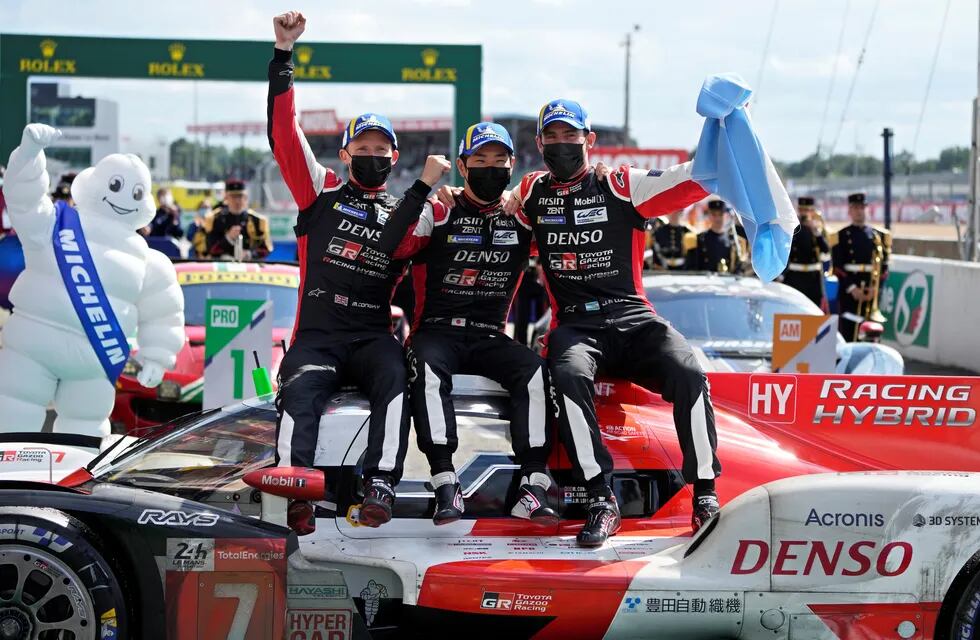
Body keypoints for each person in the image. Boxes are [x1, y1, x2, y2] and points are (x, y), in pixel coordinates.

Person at [267, 10, 450, 533]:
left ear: (395, 157)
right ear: (344, 153)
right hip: (318, 337)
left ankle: (382, 483)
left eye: (380, 150)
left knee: (396, 375)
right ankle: (293, 487)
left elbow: (438, 237)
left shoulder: (411, 213)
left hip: (372, 336)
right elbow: (284, 133)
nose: (370, 157)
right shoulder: (319, 189)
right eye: (361, 149)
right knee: (298, 393)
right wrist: (283, 55)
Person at [508, 99, 721, 547]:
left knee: (689, 370)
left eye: (571, 136)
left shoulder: (621, 185)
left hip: (633, 317)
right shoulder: (531, 191)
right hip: (577, 328)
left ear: (590, 140)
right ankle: (600, 498)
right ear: (540, 142)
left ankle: (704, 492)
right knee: (564, 375)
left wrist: (724, 127)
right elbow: (494, 215)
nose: (562, 144)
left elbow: (694, 180)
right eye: (553, 136)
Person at [378, 122, 556, 526]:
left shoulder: (521, 216)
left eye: (499, 161)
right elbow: (392, 243)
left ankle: (533, 484)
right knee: (424, 367)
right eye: (480, 160)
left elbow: (566, 208)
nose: (490, 168)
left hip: (490, 335)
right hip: (436, 331)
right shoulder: (440, 208)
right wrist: (423, 187)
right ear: (462, 165)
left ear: (512, 166)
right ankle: (444, 481)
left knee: (533, 371)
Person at [832, 192, 891, 342]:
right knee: (849, 332)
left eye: (862, 207)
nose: (859, 211)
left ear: (867, 209)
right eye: (855, 208)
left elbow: (884, 268)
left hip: (871, 291)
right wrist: (852, 289)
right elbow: (838, 267)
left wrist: (875, 289)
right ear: (849, 211)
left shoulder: (879, 236)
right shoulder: (842, 236)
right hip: (850, 291)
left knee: (871, 332)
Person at [192, 179, 272, 259]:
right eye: (233, 196)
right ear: (226, 197)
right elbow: (207, 248)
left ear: (245, 197)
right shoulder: (214, 219)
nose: (237, 201)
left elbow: (265, 249)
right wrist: (228, 238)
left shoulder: (257, 221)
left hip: (250, 266)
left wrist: (249, 254)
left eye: (240, 196)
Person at [781, 196, 830, 309]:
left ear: (813, 211)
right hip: (795, 276)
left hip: (813, 278)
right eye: (802, 210)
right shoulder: (792, 227)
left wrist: (816, 233)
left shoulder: (819, 229)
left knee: (813, 309)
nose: (805, 213)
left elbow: (826, 253)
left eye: (808, 210)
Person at [688, 199, 745, 273]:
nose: (717, 218)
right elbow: (693, 266)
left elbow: (738, 267)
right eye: (714, 214)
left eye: (720, 214)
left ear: (726, 215)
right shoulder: (700, 239)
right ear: (709, 215)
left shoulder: (734, 240)